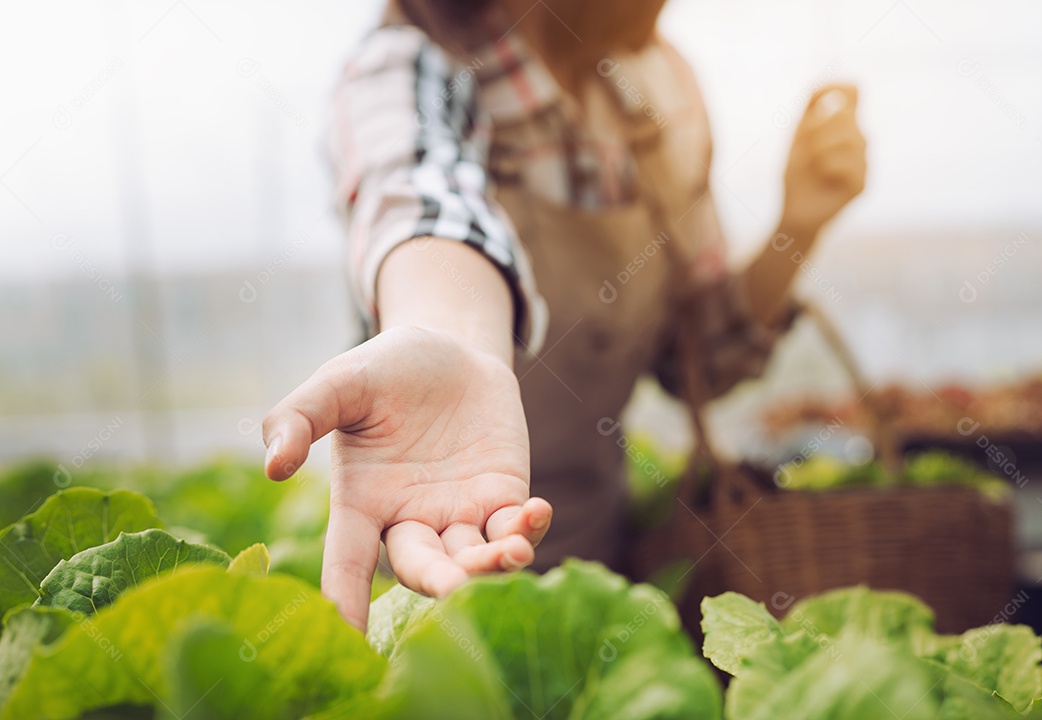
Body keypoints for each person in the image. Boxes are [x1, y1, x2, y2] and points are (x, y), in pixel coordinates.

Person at [261, 0, 867, 631]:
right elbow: (423, 200)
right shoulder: (404, 68)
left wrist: (799, 224)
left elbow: (702, 362)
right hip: (432, 587)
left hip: (606, 579)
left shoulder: (658, 88)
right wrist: (456, 339)